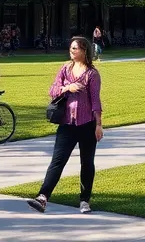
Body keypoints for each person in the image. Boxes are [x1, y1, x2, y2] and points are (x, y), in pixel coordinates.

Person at [25, 37, 103, 215]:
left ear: (84, 51)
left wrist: (98, 125)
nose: (72, 50)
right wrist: (68, 88)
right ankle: (43, 197)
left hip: (87, 125)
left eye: (75, 48)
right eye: (71, 48)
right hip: (67, 124)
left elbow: (95, 100)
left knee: (87, 163)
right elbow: (52, 90)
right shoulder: (65, 69)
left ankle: (84, 201)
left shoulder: (92, 74)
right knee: (57, 161)